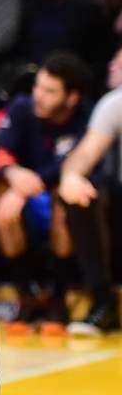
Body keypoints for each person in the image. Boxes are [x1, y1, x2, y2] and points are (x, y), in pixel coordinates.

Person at [0, 52, 96, 334]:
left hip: (58, 191)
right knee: (2, 205)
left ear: (71, 98)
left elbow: (77, 160)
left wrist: (32, 182)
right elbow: (1, 151)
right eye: (38, 86)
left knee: (66, 200)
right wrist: (14, 176)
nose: (38, 95)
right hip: (25, 192)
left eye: (50, 91)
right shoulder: (22, 107)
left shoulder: (88, 115)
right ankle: (26, 297)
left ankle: (58, 300)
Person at [55, 46, 122, 335]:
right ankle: (103, 303)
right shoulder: (115, 103)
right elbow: (83, 154)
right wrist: (71, 176)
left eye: (120, 62)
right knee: (83, 194)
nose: (112, 65)